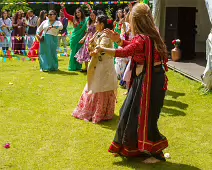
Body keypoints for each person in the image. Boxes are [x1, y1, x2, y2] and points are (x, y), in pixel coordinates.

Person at [95, 3, 169, 163]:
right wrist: (119, 40)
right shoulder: (151, 35)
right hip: (150, 78)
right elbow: (134, 48)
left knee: (144, 117)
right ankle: (134, 149)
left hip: (150, 81)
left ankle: (154, 151)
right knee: (130, 112)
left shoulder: (144, 37)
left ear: (137, 21)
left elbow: (126, 52)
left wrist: (102, 49)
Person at [72, 14, 117, 124]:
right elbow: (93, 47)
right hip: (98, 64)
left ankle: (99, 112)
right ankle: (93, 110)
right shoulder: (99, 34)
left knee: (99, 86)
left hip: (103, 66)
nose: (95, 24)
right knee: (93, 84)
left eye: (96, 22)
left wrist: (95, 50)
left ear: (101, 25)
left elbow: (101, 49)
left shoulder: (105, 36)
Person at [61, 3, 90, 71]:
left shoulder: (86, 20)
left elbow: (92, 15)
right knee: (73, 52)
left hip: (81, 39)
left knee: (79, 53)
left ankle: (78, 67)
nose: (77, 14)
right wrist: (63, 7)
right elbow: (66, 15)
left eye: (79, 12)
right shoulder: (73, 18)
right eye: (76, 13)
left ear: (81, 12)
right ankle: (72, 67)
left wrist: (89, 8)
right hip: (74, 38)